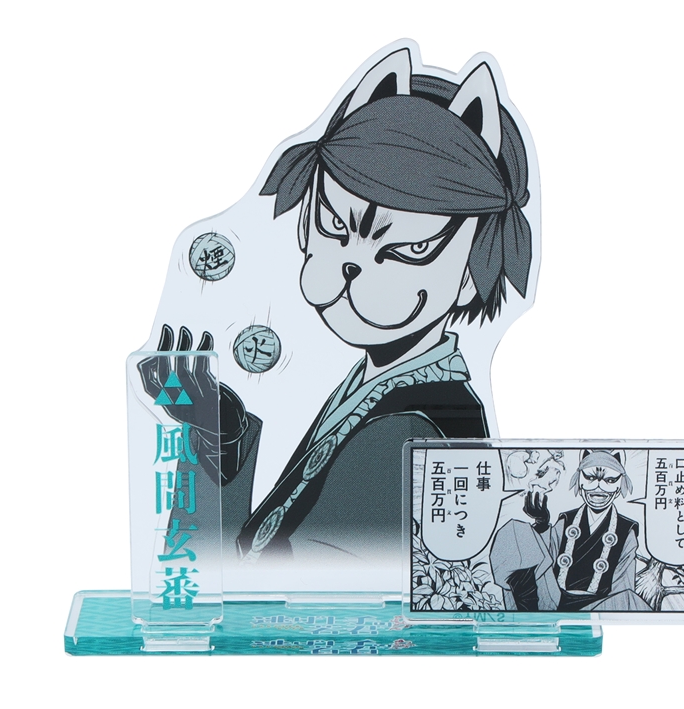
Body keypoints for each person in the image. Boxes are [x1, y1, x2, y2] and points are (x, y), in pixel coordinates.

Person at [142, 47, 536, 570]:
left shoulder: (410, 428)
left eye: (411, 248)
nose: (356, 264)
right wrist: (222, 436)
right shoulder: (380, 385)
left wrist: (213, 450)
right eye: (334, 224)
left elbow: (266, 590)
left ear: (471, 273)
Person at [490, 450, 652, 611]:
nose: (598, 488)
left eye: (610, 480)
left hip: (599, 606)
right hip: (553, 601)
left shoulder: (626, 530)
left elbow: (623, 585)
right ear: (580, 481)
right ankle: (528, 609)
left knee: (628, 600)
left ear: (619, 485)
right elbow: (545, 561)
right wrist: (542, 524)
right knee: (516, 530)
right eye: (590, 478)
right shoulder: (566, 520)